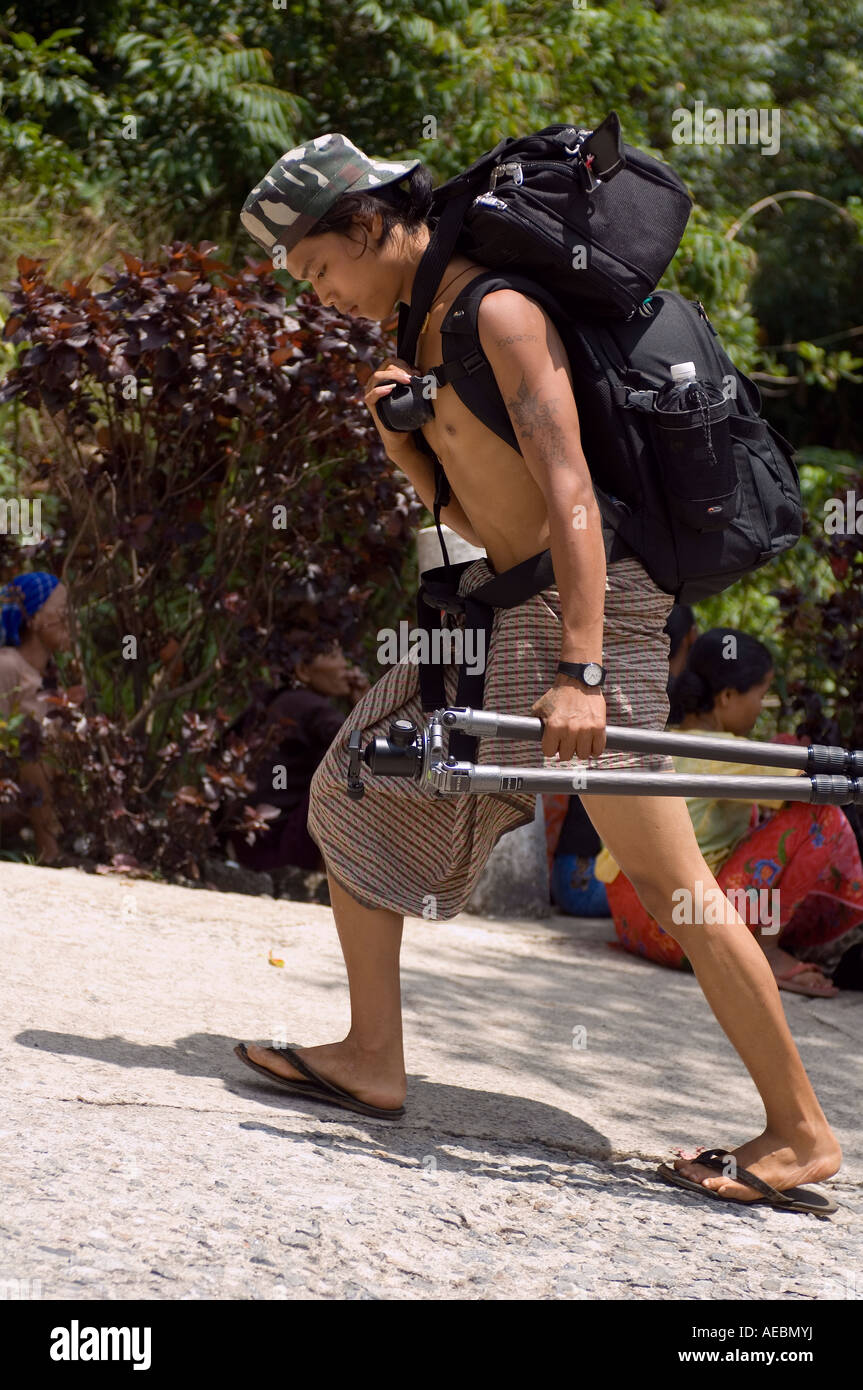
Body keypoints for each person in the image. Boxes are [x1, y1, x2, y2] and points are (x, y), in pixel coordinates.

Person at [233, 133, 842, 1212]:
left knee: (669, 885)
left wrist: (585, 669)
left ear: (369, 224)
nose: (318, 292)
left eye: (320, 267)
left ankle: (797, 1132)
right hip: (501, 608)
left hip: (582, 611)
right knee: (356, 779)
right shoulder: (416, 329)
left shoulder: (495, 312)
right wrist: (406, 452)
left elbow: (568, 496)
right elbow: (480, 514)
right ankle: (372, 1056)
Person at [595, 628, 863, 997]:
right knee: (821, 812)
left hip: (630, 923)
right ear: (727, 697)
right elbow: (811, 780)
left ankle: (761, 938)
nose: (762, 704)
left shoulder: (662, 738)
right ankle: (766, 950)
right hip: (684, 934)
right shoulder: (729, 752)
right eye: (761, 693)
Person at [543, 601, 700, 915]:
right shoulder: (660, 701)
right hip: (587, 884)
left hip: (564, 876)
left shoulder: (600, 689)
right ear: (690, 639)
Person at [224, 639, 370, 874]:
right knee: (350, 782)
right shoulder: (311, 707)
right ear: (303, 671)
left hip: (249, 839)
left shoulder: (277, 700)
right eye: (334, 656)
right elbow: (364, 750)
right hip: (278, 846)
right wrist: (368, 707)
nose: (345, 665)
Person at [0, 572, 72, 864]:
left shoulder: (51, 676)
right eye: (62, 612)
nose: (70, 620)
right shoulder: (7, 667)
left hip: (32, 800)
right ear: (34, 619)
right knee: (34, 751)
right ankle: (49, 851)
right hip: (10, 791)